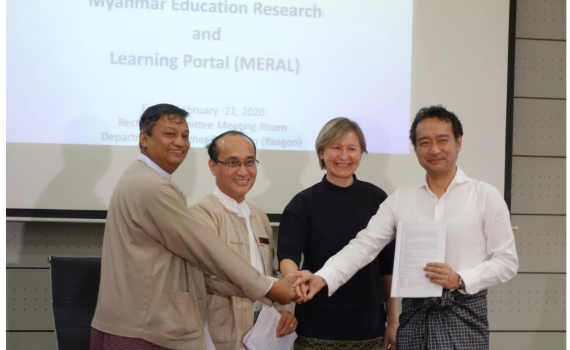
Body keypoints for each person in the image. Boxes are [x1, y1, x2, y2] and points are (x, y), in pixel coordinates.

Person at [293, 106, 519, 349]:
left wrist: (461, 279)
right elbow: (363, 246)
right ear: (415, 148)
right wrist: (322, 277)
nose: (434, 149)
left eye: (442, 140)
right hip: (414, 318)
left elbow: (507, 262)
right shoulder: (401, 198)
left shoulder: (485, 196)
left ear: (459, 142)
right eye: (424, 142)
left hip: (463, 315)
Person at [90, 104, 298, 350]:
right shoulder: (151, 187)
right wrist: (268, 288)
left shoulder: (151, 181)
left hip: (150, 325)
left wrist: (273, 296)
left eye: (185, 136)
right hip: (144, 329)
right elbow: (206, 254)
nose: (180, 142)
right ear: (143, 139)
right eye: (170, 134)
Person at [278, 117, 398, 350]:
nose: (344, 156)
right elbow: (287, 257)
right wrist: (296, 283)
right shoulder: (302, 203)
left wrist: (393, 319)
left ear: (361, 153)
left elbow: (388, 268)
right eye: (336, 147)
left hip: (369, 327)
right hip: (316, 326)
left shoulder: (378, 199)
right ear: (321, 152)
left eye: (352, 149)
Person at [188, 131, 298, 350]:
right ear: (212, 166)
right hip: (219, 333)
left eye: (249, 162)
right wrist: (267, 288)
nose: (243, 171)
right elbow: (206, 276)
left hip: (264, 334)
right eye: (232, 163)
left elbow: (270, 273)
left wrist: (283, 311)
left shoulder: (260, 216)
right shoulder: (201, 215)